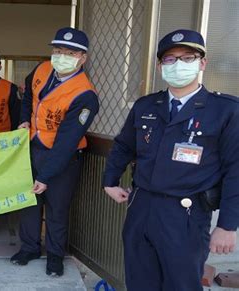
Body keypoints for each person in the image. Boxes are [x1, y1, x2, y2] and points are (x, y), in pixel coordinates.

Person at [103, 29, 239, 291]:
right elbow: (123, 145)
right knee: (140, 281)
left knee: (182, 284)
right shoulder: (145, 106)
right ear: (159, 66)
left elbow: (236, 170)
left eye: (188, 58)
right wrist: (109, 180)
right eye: (170, 59)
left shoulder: (225, 110)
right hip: (141, 206)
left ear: (202, 63)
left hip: (186, 214)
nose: (178, 65)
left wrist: (227, 225)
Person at [10, 27, 100, 277]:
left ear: (82, 58)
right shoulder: (41, 70)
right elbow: (27, 95)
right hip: (32, 147)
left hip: (63, 158)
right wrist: (24, 119)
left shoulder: (86, 95)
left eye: (70, 52)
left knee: (56, 209)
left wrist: (45, 176)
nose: (62, 56)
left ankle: (55, 256)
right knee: (29, 203)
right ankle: (29, 248)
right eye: (58, 50)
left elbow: (66, 142)